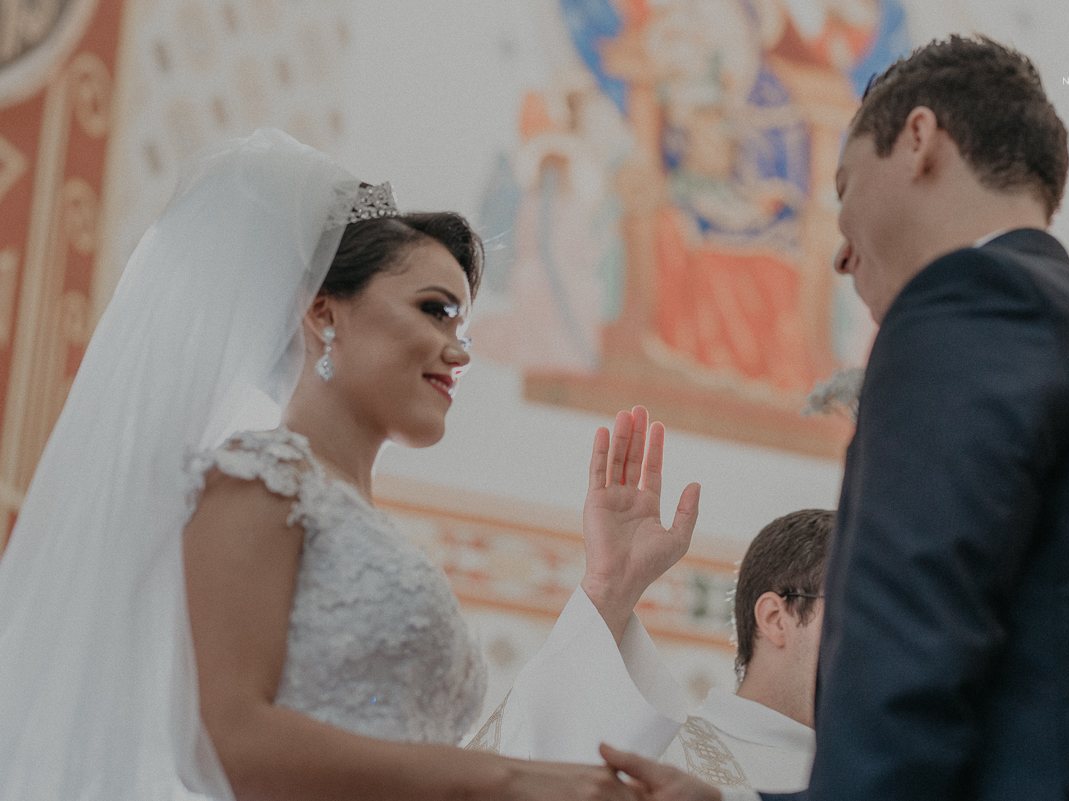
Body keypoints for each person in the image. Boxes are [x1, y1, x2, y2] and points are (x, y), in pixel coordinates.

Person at [0, 129, 701, 800]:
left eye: (461, 325)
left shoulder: (364, 526)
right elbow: (217, 738)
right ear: (324, 313)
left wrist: (608, 587)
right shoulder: (260, 481)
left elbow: (431, 765)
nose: (460, 351)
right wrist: (502, 783)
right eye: (435, 310)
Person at [607, 34, 1069, 801]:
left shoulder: (963, 303)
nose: (840, 253)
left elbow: (906, 665)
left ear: (919, 139)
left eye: (845, 183)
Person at [472, 508, 831, 794]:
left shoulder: (864, 780)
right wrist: (609, 589)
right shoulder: (655, 757)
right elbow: (523, 771)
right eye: (855, 613)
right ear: (775, 618)